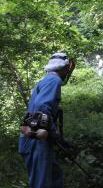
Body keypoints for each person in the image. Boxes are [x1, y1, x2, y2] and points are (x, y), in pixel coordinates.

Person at [18, 52, 75, 188]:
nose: (68, 71)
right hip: (37, 140)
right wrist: (43, 128)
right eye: (68, 68)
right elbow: (42, 106)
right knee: (41, 183)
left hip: (32, 138)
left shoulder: (45, 80)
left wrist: (56, 136)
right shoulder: (54, 81)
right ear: (64, 68)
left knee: (55, 176)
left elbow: (36, 108)